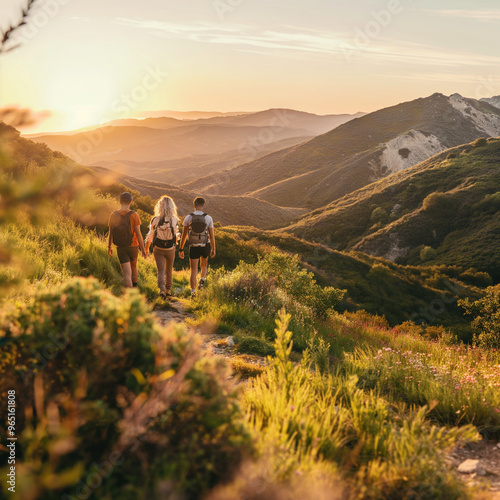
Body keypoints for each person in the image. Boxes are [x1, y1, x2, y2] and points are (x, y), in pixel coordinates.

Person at [108, 192, 147, 288]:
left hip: (120, 247)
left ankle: (130, 297)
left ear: (120, 202)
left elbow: (111, 233)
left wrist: (109, 246)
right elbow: (138, 233)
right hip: (133, 246)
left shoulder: (113, 214)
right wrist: (143, 249)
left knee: (126, 273)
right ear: (130, 202)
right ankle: (135, 288)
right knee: (134, 267)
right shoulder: (134, 215)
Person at [179, 197, 216, 297]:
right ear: (203, 205)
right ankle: (202, 280)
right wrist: (213, 248)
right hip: (205, 245)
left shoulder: (188, 218)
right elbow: (212, 236)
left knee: (193, 270)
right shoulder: (208, 218)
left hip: (193, 245)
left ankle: (193, 292)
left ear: (194, 205)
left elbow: (184, 235)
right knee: (204, 265)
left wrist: (181, 248)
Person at [145, 195, 180, 299]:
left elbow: (150, 236)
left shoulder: (155, 219)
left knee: (160, 270)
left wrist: (146, 249)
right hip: (170, 248)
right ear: (172, 207)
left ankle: (162, 290)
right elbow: (176, 235)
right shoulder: (174, 220)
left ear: (159, 206)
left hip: (158, 248)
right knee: (169, 270)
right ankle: (169, 291)